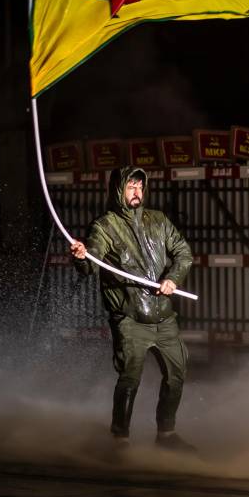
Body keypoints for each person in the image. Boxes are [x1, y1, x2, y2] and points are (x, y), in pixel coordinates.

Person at [70, 166, 196, 451]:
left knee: (177, 374)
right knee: (130, 377)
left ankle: (166, 435)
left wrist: (172, 279)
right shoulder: (104, 227)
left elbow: (184, 253)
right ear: (118, 190)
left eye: (140, 186)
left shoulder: (159, 221)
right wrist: (81, 256)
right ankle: (120, 439)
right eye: (130, 187)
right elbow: (90, 265)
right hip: (129, 319)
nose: (137, 191)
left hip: (163, 317)